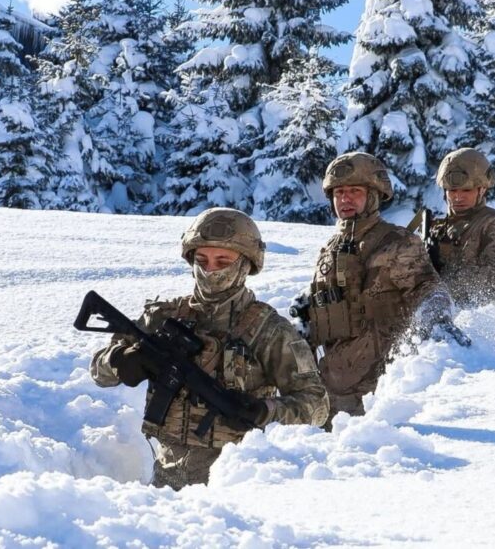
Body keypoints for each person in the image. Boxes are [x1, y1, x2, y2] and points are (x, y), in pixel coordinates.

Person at [89, 208, 329, 490]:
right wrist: (121, 361)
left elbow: (317, 406)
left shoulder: (270, 330)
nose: (210, 270)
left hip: (235, 481)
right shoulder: (164, 316)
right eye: (201, 260)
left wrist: (265, 410)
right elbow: (99, 372)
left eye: (222, 261)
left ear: (247, 263)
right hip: (165, 475)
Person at [304, 152, 455, 424]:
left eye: (355, 191)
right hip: (330, 391)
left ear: (374, 195)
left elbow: (429, 289)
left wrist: (434, 316)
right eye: (339, 192)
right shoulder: (330, 249)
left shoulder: (397, 243)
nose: (345, 199)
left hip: (377, 399)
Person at [427, 148, 495, 307]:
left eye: (466, 190)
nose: (458, 197)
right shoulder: (438, 229)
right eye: (452, 190)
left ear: (482, 190)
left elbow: (489, 286)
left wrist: (441, 273)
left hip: (475, 315)